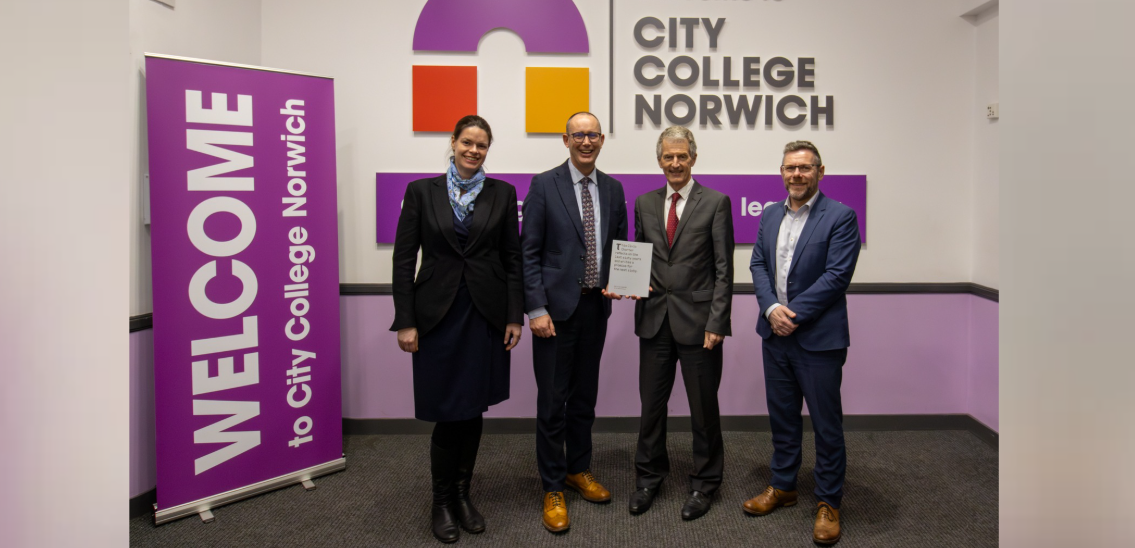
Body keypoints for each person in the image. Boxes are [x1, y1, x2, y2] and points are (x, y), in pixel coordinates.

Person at [390, 115, 523, 544]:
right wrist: (405, 320)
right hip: (437, 317)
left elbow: (512, 259)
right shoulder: (421, 192)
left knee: (473, 408)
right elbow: (403, 259)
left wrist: (513, 315)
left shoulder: (503, 193)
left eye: (482, 145)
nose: (474, 151)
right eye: (467, 142)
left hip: (484, 315)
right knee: (449, 412)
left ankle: (464, 495)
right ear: (453, 142)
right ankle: (442, 500)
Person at [746, 140, 860, 545]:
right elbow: (758, 262)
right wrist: (770, 309)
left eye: (805, 168)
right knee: (782, 419)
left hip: (818, 340)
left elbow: (836, 275)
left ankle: (829, 501)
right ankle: (784, 485)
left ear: (820, 171)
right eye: (790, 168)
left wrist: (790, 315)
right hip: (774, 336)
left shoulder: (841, 216)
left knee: (827, 425)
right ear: (782, 172)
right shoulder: (771, 214)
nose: (797, 174)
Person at [619, 126, 734, 521]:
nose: (675, 163)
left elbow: (724, 269)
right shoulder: (644, 203)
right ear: (659, 161)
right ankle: (649, 478)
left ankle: (705, 483)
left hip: (700, 323)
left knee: (703, 409)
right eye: (668, 157)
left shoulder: (717, 202)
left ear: (693, 159)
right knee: (651, 406)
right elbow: (638, 254)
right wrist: (629, 282)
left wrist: (718, 321)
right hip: (653, 319)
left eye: (682, 156)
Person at [520, 112, 627, 533]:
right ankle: (551, 486)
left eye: (593, 135)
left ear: (602, 140)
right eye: (578, 135)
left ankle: (577, 469)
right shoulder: (544, 184)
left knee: (584, 399)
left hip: (594, 309)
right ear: (565, 140)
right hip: (554, 313)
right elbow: (529, 252)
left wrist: (622, 280)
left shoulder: (614, 189)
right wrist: (536, 309)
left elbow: (620, 246)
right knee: (552, 403)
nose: (586, 141)